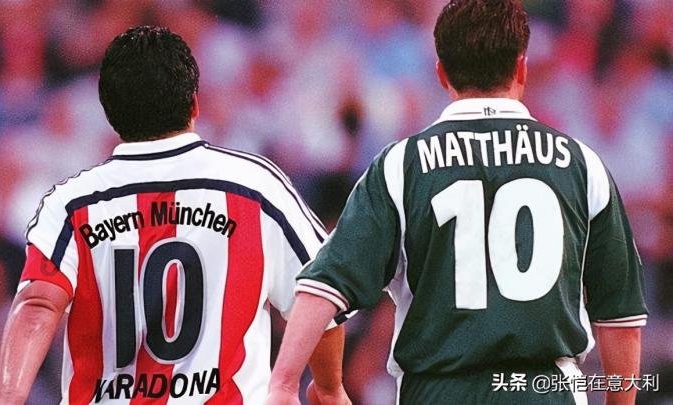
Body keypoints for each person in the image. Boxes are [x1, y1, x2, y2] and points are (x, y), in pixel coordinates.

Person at [268, 1, 647, 404]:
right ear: (521, 68)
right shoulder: (582, 164)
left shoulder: (401, 165)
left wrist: (285, 383)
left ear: (441, 73)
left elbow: (323, 286)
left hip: (436, 390)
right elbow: (621, 320)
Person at [0, 26, 349, 405]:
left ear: (109, 111)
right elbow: (319, 290)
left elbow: (37, 304)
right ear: (194, 103)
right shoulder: (254, 187)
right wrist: (328, 388)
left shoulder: (72, 204)